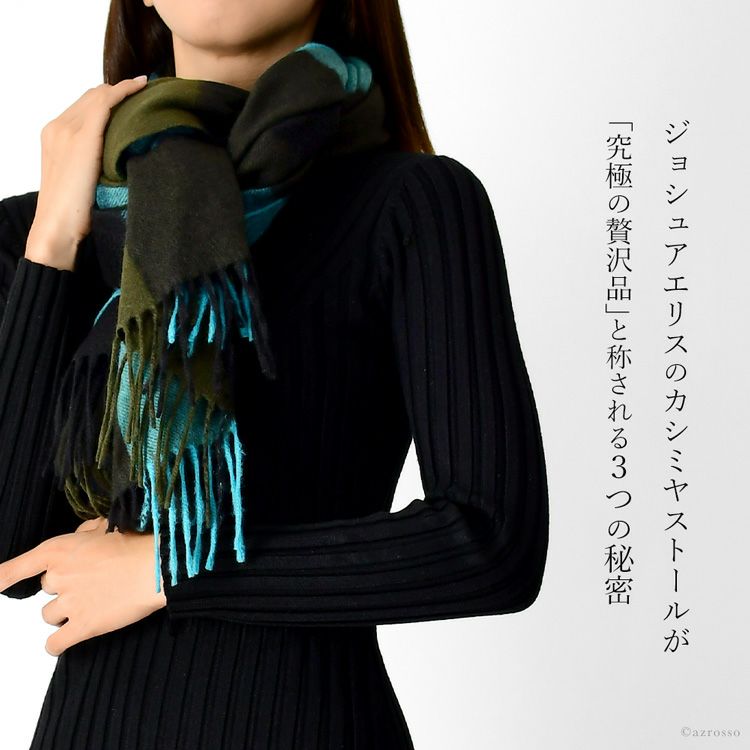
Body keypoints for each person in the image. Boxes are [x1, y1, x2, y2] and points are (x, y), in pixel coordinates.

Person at [0, 0, 550, 747]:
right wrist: (51, 245)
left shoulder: (413, 204)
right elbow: (13, 553)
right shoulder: (40, 231)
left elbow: (491, 544)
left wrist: (170, 571)